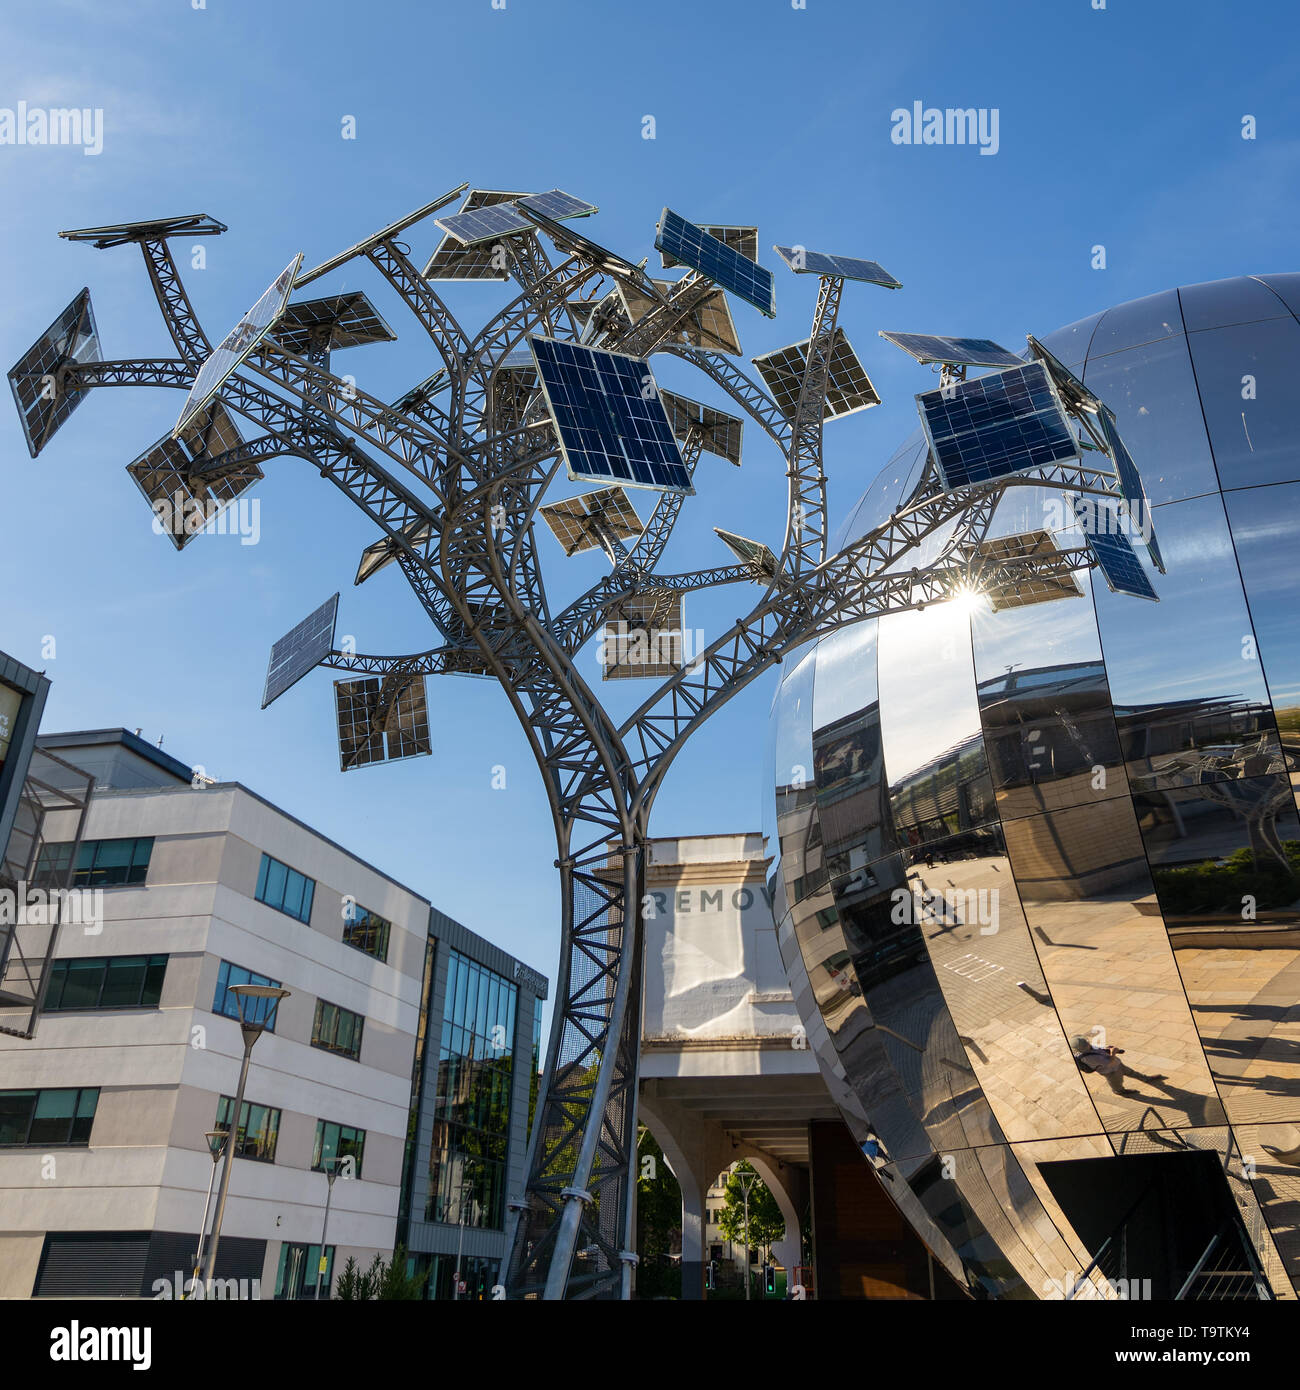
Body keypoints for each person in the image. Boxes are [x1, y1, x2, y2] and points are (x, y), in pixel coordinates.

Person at [1071, 1035, 1171, 1097]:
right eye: (1086, 1043)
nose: (1088, 1042)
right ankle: (1119, 1091)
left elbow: (1100, 1050)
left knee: (1131, 1072)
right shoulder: (1088, 1058)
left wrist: (1108, 1049)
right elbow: (1108, 1062)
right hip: (1111, 1071)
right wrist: (1113, 1052)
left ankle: (1146, 1078)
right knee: (1116, 1082)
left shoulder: (1089, 1047)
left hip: (1117, 1064)